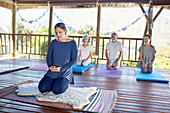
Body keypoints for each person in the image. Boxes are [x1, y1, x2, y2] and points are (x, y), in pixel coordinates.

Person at [38, 23, 78, 94]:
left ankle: (65, 84)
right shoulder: (54, 42)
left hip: (65, 72)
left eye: (60, 32)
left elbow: (74, 60)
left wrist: (62, 69)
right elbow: (49, 57)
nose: (58, 35)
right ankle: (54, 82)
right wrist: (50, 66)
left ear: (65, 30)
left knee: (57, 90)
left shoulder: (72, 43)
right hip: (52, 71)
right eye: (56, 33)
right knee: (42, 88)